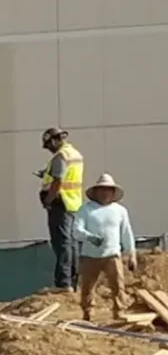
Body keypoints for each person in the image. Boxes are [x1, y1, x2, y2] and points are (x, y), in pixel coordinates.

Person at [74, 173, 138, 322]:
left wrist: (132, 254)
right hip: (90, 255)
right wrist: (90, 237)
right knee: (87, 287)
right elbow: (77, 231)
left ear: (113, 192)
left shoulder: (120, 211)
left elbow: (126, 234)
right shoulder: (86, 209)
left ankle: (119, 312)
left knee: (117, 285)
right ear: (95, 192)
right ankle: (88, 312)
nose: (105, 193)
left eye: (108, 190)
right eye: (102, 190)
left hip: (112, 254)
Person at [38, 127, 85, 291]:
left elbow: (58, 181)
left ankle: (63, 283)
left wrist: (48, 200)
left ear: (53, 140)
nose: (49, 149)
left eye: (49, 145)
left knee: (61, 244)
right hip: (73, 204)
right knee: (70, 243)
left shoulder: (61, 156)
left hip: (61, 203)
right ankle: (73, 281)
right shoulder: (74, 154)